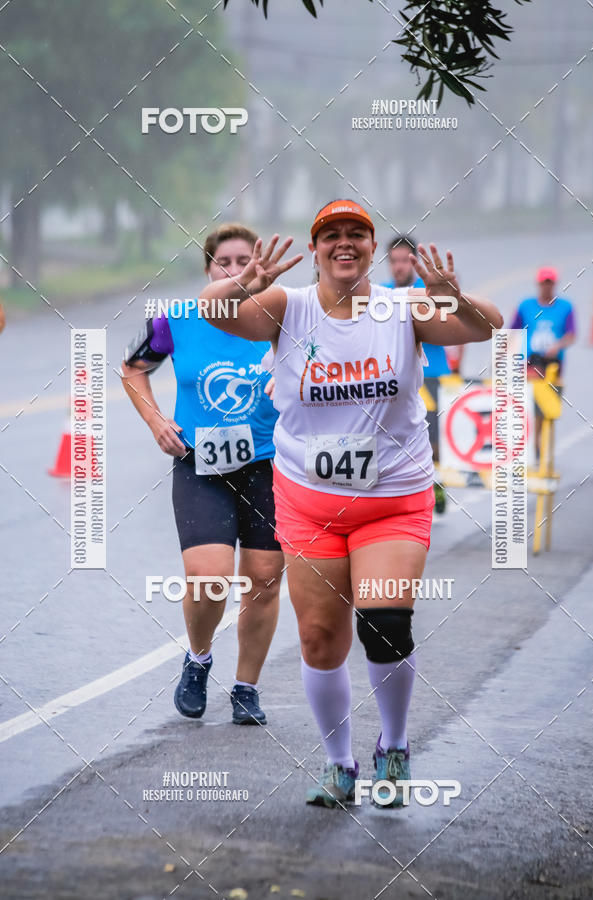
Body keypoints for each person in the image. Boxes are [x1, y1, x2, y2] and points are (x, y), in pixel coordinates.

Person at [196, 199, 503, 808]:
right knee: (318, 638)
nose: (344, 243)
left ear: (370, 246)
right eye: (331, 235)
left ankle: (395, 746)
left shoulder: (402, 307)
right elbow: (213, 310)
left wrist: (452, 297)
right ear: (314, 250)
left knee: (384, 623)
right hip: (308, 502)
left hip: (392, 498)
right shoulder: (288, 307)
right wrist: (243, 282)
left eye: (356, 234)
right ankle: (340, 765)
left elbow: (485, 326)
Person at [120, 223, 284, 726]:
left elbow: (322, 364)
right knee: (210, 579)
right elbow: (132, 367)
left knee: (263, 580)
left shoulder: (284, 315)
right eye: (224, 263)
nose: (235, 271)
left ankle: (246, 687)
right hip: (201, 465)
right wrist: (156, 421)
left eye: (244, 261)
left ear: (260, 265)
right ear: (208, 269)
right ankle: (198, 658)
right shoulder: (178, 319)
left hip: (270, 465)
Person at [385, 234, 450, 513]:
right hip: (396, 379)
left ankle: (438, 484)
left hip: (432, 373)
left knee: (433, 439)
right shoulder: (381, 293)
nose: (398, 267)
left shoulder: (429, 290)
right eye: (394, 261)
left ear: (414, 262)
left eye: (404, 261)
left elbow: (452, 322)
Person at [510, 266, 576, 457]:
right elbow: (513, 331)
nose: (547, 287)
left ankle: (537, 442)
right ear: (538, 284)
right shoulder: (526, 306)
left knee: (544, 406)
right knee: (527, 400)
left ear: (554, 284)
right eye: (544, 283)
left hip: (553, 363)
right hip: (531, 361)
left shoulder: (565, 307)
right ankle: (527, 442)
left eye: (550, 283)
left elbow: (571, 335)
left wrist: (558, 345)